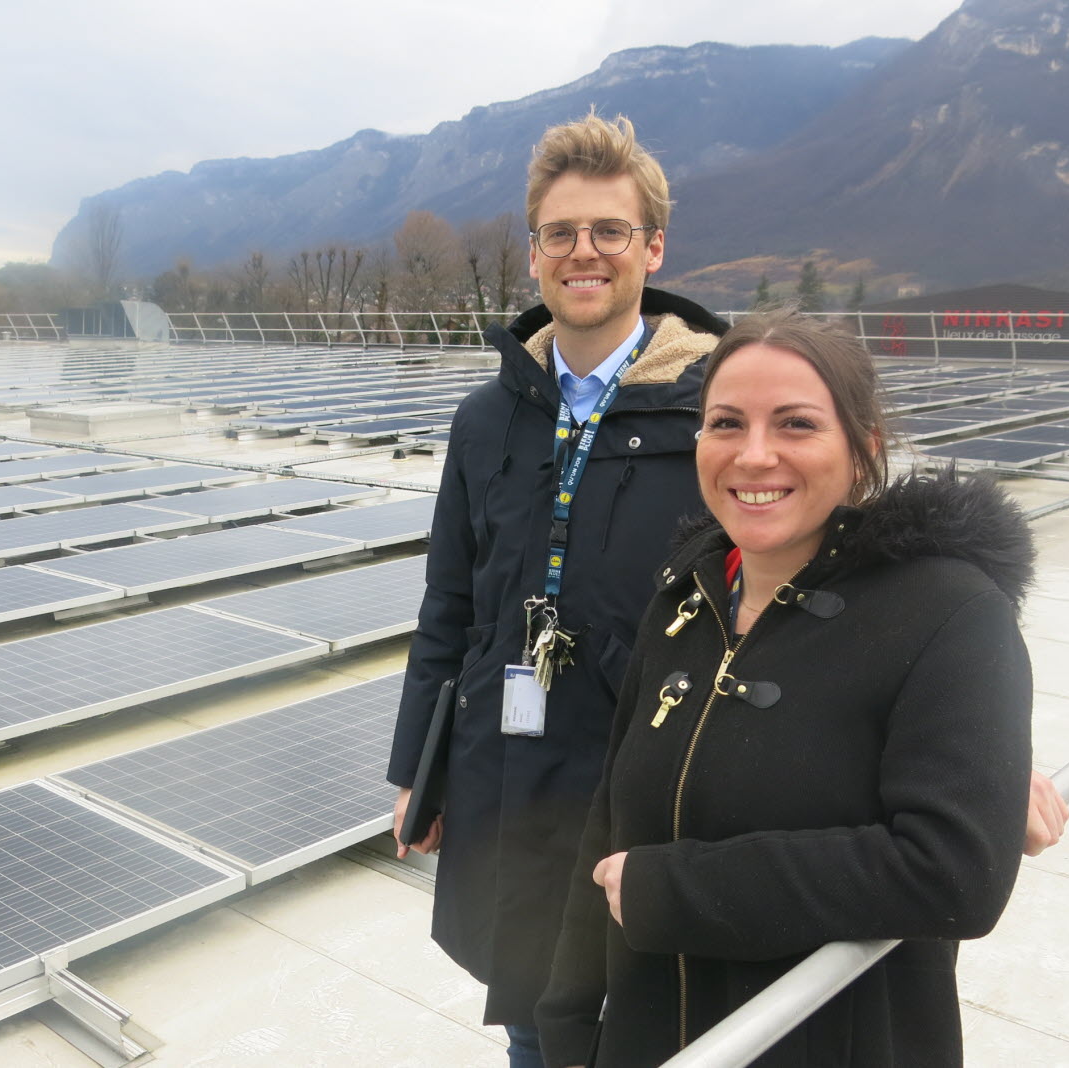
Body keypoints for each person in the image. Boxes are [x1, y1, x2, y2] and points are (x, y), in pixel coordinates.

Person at [536, 311, 1035, 1067]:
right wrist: (569, 1021)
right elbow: (612, 817)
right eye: (726, 423)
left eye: (796, 424)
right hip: (651, 1037)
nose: (754, 454)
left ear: (864, 446)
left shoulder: (949, 612)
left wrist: (671, 891)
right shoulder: (686, 594)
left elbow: (958, 872)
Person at [387, 113, 729, 1068]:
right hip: (508, 774)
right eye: (561, 233)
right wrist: (422, 767)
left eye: (610, 231)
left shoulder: (714, 413)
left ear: (651, 248)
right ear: (532, 253)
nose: (585, 253)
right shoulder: (487, 418)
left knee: (644, 1023)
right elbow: (449, 604)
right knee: (533, 1014)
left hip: (648, 786)